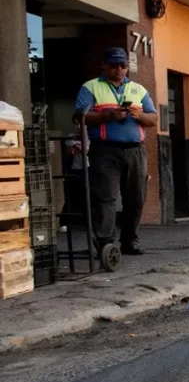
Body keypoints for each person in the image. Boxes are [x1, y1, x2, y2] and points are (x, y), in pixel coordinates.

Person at [74, 48, 158, 255]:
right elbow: (79, 117)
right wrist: (109, 115)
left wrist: (139, 115)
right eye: (114, 65)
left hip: (136, 150)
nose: (119, 69)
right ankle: (105, 244)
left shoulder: (138, 89)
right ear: (104, 65)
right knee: (106, 197)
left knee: (136, 197)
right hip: (105, 150)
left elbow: (153, 119)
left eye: (123, 66)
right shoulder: (91, 87)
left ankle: (130, 240)